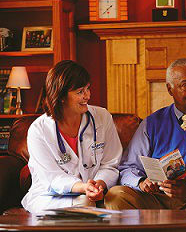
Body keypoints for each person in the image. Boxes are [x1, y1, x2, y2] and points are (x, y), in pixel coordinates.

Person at [105, 58, 186, 212]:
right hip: (155, 201)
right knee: (116, 195)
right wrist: (141, 182)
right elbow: (128, 167)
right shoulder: (151, 123)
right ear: (170, 89)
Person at [21, 60, 122, 213]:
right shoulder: (39, 130)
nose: (87, 96)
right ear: (60, 96)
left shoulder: (102, 117)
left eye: (88, 88)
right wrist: (83, 187)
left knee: (87, 201)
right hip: (50, 196)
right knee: (84, 202)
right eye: (80, 92)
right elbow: (51, 177)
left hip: (93, 192)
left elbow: (110, 163)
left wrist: (98, 184)